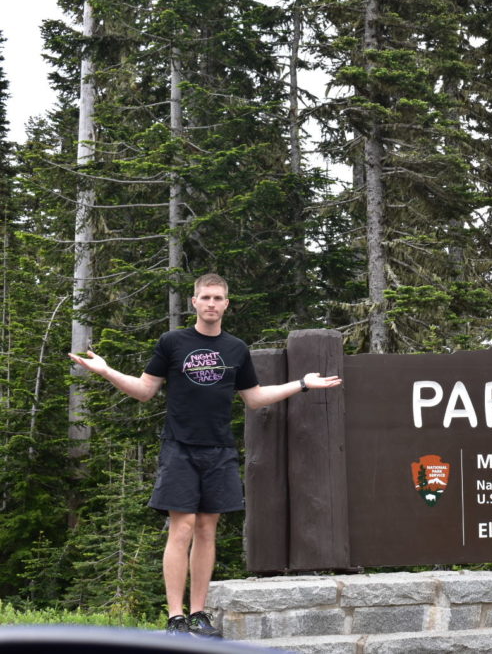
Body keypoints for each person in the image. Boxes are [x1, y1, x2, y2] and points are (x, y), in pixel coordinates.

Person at [68, 273, 342, 637]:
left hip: (220, 450)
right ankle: (175, 617)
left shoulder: (236, 349)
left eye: (218, 298)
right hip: (179, 447)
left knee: (206, 529)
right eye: (205, 298)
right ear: (194, 302)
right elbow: (144, 390)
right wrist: (107, 372)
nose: (211, 304)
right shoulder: (172, 342)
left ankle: (199, 614)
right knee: (181, 527)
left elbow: (255, 397)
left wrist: (303, 384)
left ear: (227, 304)